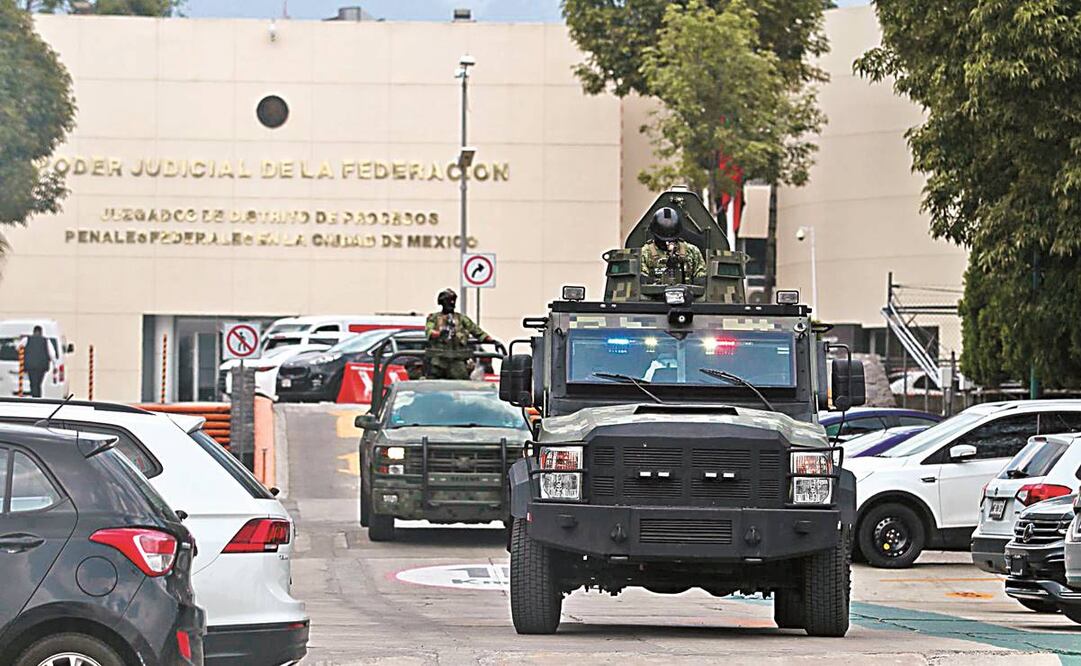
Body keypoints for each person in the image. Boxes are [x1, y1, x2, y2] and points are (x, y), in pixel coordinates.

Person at [425, 288, 494, 379]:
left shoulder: (461, 318)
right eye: (448, 301)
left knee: (461, 383)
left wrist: (489, 339)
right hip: (439, 360)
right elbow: (429, 331)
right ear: (442, 302)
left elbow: (475, 330)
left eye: (453, 300)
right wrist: (439, 333)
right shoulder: (434, 318)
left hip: (457, 359)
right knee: (433, 384)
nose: (452, 303)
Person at [639, 206, 706, 286]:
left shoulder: (692, 251)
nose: (668, 243)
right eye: (663, 241)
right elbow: (642, 284)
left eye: (672, 239)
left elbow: (701, 280)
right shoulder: (645, 253)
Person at [21, 325, 56, 398]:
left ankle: (35, 396)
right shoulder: (46, 340)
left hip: (30, 365)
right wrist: (54, 364)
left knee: (33, 383)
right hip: (41, 366)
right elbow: (52, 354)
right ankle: (37, 397)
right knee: (38, 383)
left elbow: (19, 346)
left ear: (33, 332)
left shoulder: (27, 339)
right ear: (41, 332)